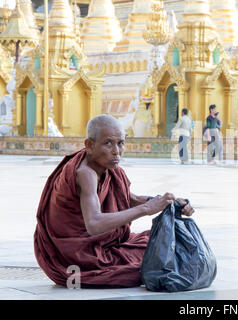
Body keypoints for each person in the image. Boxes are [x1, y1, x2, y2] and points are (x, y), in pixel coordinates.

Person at [34, 114, 195, 288]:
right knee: (156, 259)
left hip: (99, 245)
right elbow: (94, 224)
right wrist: (147, 208)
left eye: (121, 143)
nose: (116, 151)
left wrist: (167, 202)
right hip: (74, 258)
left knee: (165, 240)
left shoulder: (107, 167)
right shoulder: (85, 173)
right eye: (108, 143)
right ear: (89, 145)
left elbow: (130, 199)